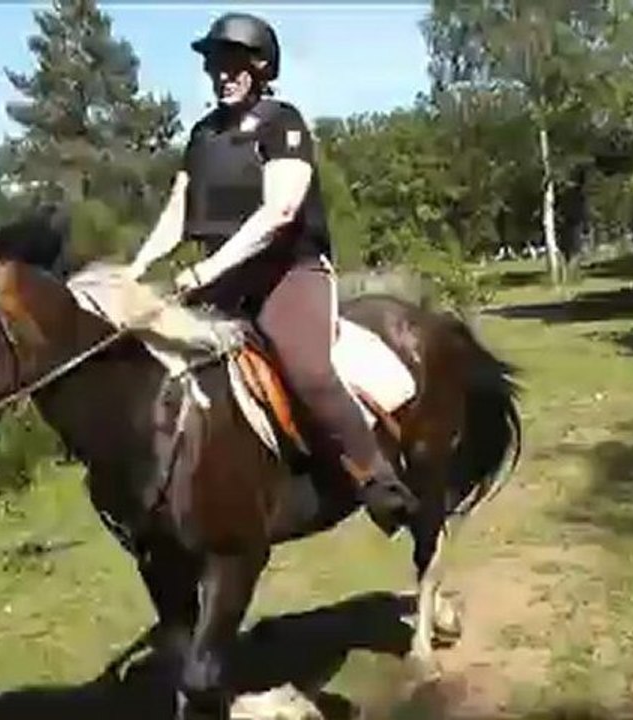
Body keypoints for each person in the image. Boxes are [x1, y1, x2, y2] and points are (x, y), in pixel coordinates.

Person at [127, 12, 418, 535]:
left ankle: (377, 479)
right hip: (221, 284)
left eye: (233, 63)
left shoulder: (282, 124)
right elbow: (177, 212)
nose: (221, 74)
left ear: (260, 68)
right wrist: (136, 268)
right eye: (215, 64)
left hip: (289, 274)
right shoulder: (202, 135)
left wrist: (206, 268)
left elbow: (280, 212)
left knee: (306, 367)